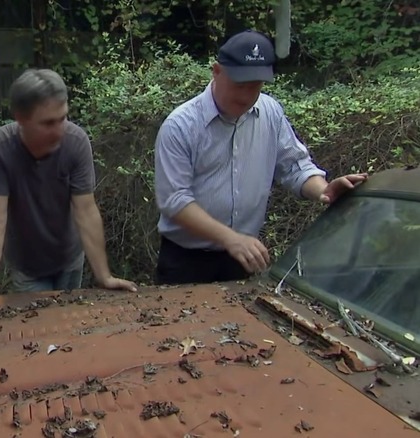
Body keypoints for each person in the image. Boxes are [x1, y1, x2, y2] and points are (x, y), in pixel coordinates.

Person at [153, 30, 368, 285]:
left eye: (255, 86)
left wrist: (323, 190)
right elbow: (174, 200)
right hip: (185, 261)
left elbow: (294, 166)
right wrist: (230, 238)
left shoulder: (270, 112)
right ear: (217, 71)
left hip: (242, 259)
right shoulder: (181, 125)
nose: (245, 96)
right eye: (239, 85)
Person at [0, 69, 137, 303]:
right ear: (21, 118)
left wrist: (104, 276)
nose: (59, 130)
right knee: (36, 325)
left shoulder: (75, 142)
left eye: (63, 118)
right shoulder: (0, 147)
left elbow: (86, 211)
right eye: (48, 123)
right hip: (27, 265)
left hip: (69, 258)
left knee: (66, 324)